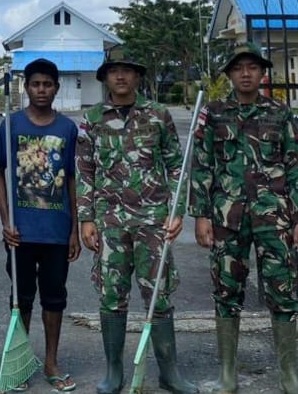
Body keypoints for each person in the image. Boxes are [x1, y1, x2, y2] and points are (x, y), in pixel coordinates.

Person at [189, 42, 298, 394]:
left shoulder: (280, 113)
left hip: (274, 219)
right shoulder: (214, 113)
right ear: (230, 74)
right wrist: (200, 215)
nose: (245, 74)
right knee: (226, 292)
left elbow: (297, 166)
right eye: (238, 68)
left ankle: (289, 375)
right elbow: (202, 166)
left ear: (262, 73)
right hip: (227, 220)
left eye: (252, 68)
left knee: (283, 290)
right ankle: (227, 374)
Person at [76, 53, 196, 394]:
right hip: (110, 222)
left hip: (153, 221)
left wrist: (177, 211)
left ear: (137, 77)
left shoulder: (158, 115)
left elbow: (176, 164)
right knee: (112, 297)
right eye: (114, 72)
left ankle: (169, 373)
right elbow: (85, 170)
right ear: (105, 78)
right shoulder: (93, 118)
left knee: (158, 295)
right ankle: (113, 372)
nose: (121, 77)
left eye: (127, 71)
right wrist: (86, 217)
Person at [0, 58, 81, 392]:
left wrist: (74, 228)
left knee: (54, 298)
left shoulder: (67, 129)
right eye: (35, 84)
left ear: (56, 88)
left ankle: (51, 362)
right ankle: (21, 360)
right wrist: (4, 221)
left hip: (57, 232)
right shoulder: (11, 125)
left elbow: (72, 179)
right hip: (20, 233)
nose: (41, 90)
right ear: (25, 87)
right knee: (22, 297)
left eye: (47, 84)